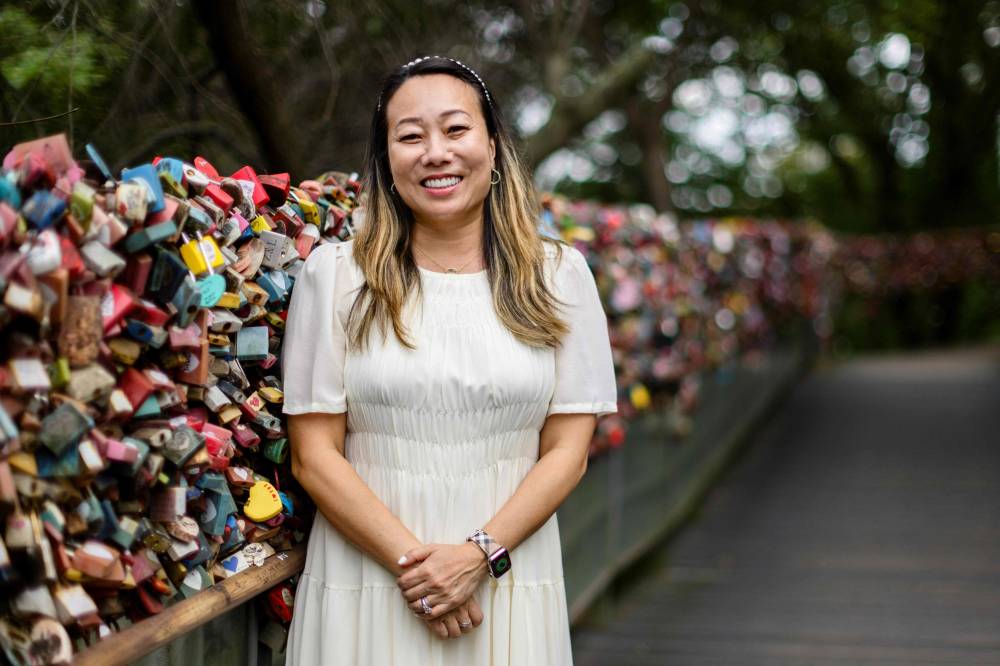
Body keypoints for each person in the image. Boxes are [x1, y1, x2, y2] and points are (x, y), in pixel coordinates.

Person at [281, 55, 617, 665]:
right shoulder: (334, 276)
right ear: (386, 162)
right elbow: (314, 456)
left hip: (507, 580)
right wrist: (422, 570)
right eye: (410, 136)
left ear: (492, 144)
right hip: (369, 580)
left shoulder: (558, 276)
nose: (435, 152)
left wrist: (477, 557)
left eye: (456, 129)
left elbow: (568, 451)